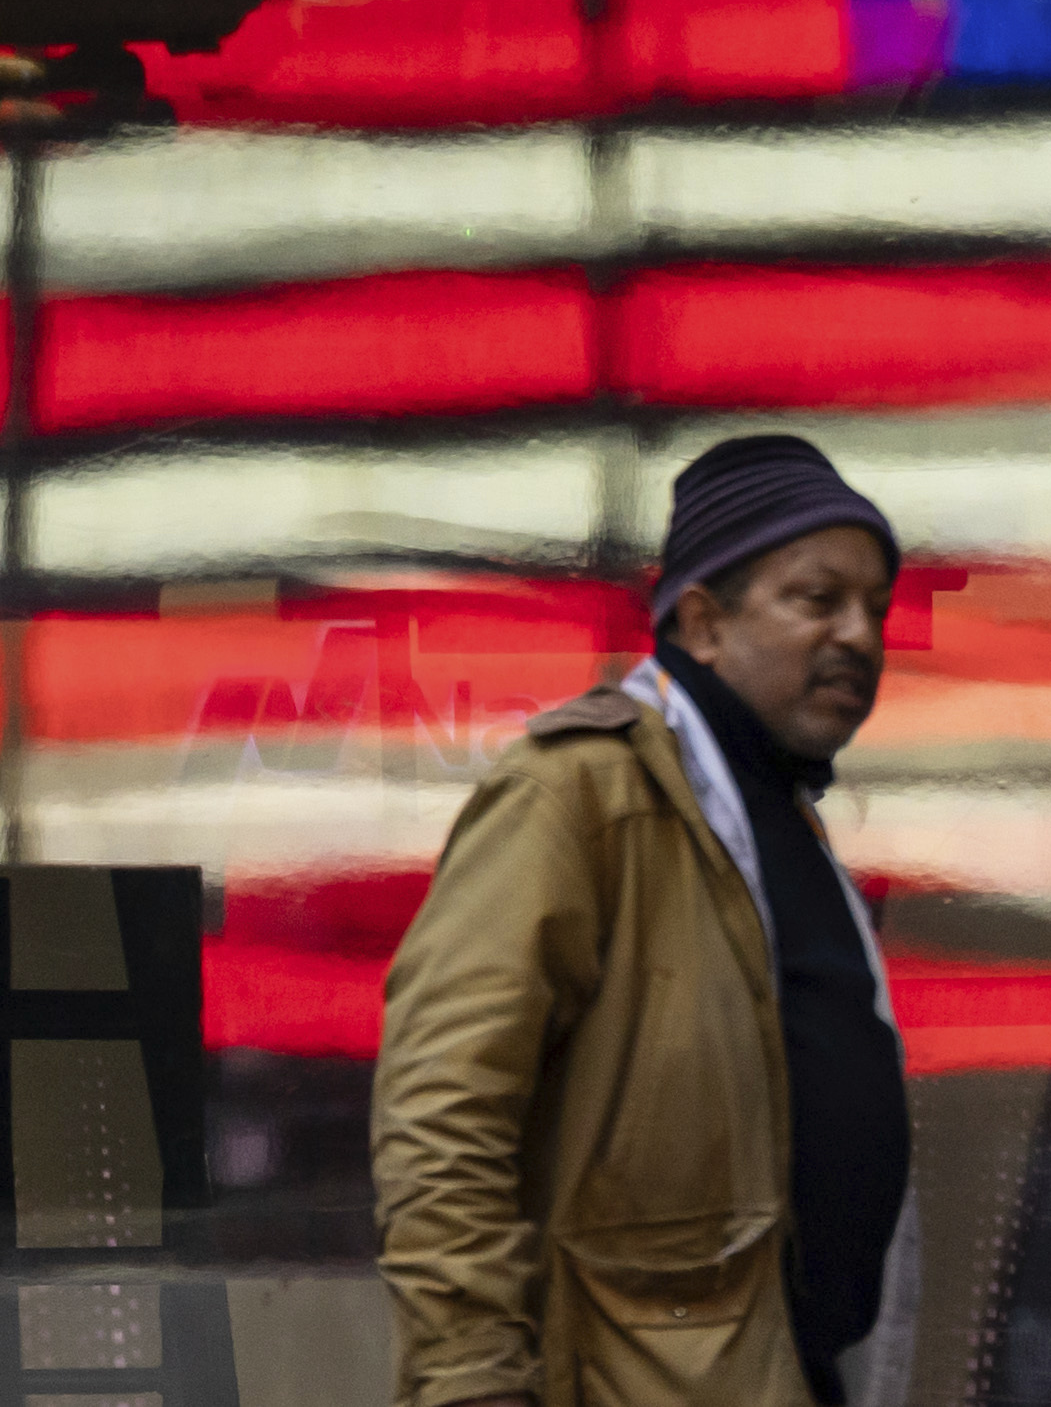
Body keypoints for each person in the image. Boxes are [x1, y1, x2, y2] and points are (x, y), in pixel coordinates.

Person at [375, 435, 920, 1407]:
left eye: (874, 608)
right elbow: (442, 1118)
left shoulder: (774, 814)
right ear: (703, 621)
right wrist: (470, 1385)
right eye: (817, 598)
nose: (859, 636)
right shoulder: (577, 794)